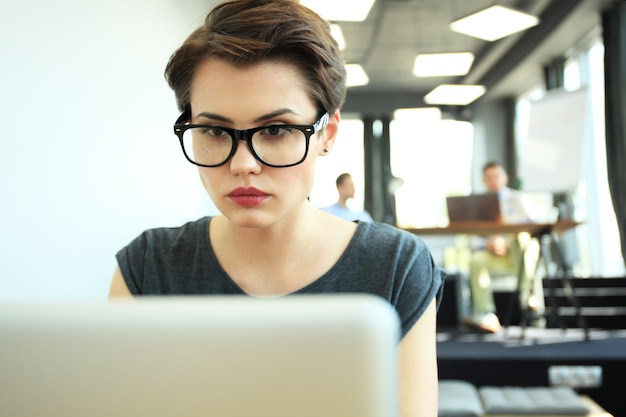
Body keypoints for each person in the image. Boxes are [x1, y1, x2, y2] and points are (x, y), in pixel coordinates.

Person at [108, 1, 445, 416]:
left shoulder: (395, 265)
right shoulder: (149, 268)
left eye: (276, 130)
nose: (243, 164)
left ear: (328, 134)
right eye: (214, 130)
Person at [462, 161, 537, 333]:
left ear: (505, 178)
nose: (493, 181)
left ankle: (526, 293)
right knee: (475, 260)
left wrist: (507, 240)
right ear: (484, 181)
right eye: (489, 178)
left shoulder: (520, 199)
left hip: (520, 252)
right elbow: (471, 239)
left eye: (496, 176)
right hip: (495, 255)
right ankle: (485, 313)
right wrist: (487, 244)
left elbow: (533, 227)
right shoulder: (478, 205)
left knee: (522, 239)